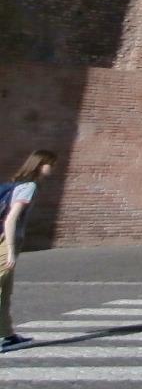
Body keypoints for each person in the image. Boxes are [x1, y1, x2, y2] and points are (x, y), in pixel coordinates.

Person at [1, 150, 57, 353]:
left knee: (5, 292)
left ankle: (7, 335)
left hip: (5, 241)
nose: (53, 168)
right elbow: (11, 219)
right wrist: (10, 250)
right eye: (51, 164)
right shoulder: (29, 187)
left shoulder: (17, 183)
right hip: (5, 242)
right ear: (41, 165)